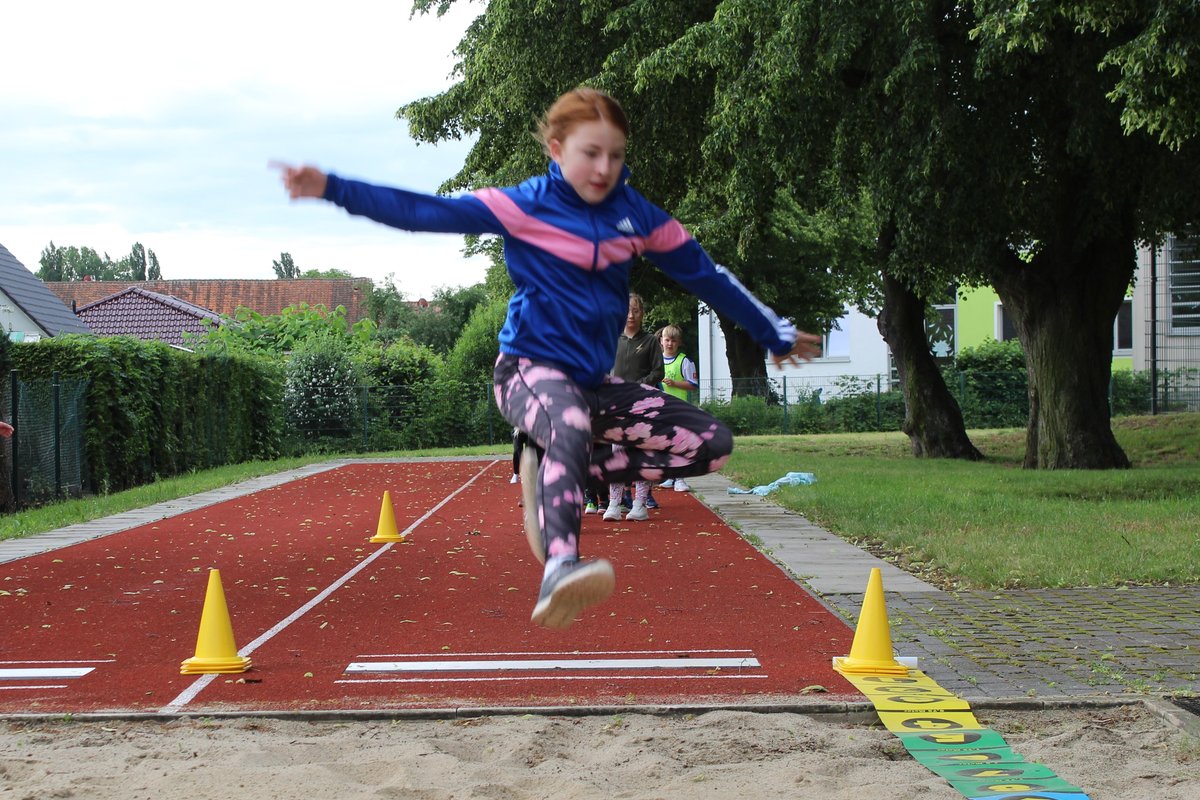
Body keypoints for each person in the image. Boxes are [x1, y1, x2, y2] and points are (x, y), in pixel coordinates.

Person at [277, 87, 821, 630]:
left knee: (711, 445)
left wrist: (774, 333)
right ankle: (560, 565)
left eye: (616, 154)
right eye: (591, 153)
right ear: (557, 150)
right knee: (567, 420)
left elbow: (707, 275)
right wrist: (332, 187)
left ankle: (565, 469)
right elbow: (425, 211)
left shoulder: (637, 218)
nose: (604, 167)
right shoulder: (524, 205)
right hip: (527, 370)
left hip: (593, 384)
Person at [602, 293, 663, 522]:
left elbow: (659, 372)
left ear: (642, 313)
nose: (631, 315)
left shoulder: (650, 342)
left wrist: (639, 386)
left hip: (642, 405)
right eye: (627, 310)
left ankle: (640, 504)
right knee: (618, 454)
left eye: (636, 310)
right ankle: (614, 503)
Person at [657, 324, 701, 493]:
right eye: (667, 340)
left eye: (673, 341)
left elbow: (693, 385)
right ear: (661, 341)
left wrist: (675, 383)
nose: (669, 344)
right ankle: (670, 476)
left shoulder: (685, 361)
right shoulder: (656, 360)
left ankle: (681, 478)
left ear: (679, 343)